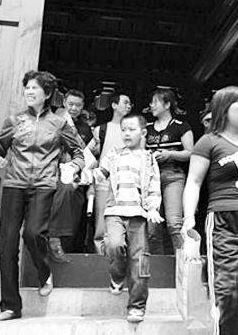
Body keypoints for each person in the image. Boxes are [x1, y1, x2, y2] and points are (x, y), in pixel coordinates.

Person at [0, 70, 84, 322]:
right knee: (7, 243)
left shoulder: (59, 123)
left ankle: (44, 271)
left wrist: (74, 167)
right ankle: (11, 306)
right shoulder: (14, 121)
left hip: (43, 185)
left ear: (47, 93)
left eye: (34, 88)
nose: (29, 92)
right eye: (27, 87)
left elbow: (79, 152)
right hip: (14, 185)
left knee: (32, 233)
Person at [182, 86, 238, 335]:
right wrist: (189, 217)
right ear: (223, 108)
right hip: (224, 220)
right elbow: (194, 181)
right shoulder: (209, 141)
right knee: (229, 292)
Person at [93, 112, 162, 323]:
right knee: (114, 245)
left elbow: (154, 186)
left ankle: (137, 306)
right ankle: (117, 276)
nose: (127, 133)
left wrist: (153, 209)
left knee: (140, 261)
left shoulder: (149, 158)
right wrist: (82, 173)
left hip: (139, 215)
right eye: (124, 130)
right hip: (115, 211)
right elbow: (99, 173)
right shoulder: (114, 154)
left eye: (132, 129)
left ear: (143, 133)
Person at [145, 87, 194, 254]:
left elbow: (190, 152)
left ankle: (184, 262)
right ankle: (157, 264)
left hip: (173, 175)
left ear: (167, 105)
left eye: (155, 102)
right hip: (150, 178)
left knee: (174, 223)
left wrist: (170, 154)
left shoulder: (182, 126)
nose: (151, 105)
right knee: (152, 228)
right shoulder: (147, 128)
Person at [48, 88, 93, 262]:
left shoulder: (85, 129)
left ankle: (67, 251)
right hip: (54, 174)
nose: (74, 108)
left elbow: (88, 157)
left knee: (75, 218)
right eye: (71, 104)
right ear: (64, 103)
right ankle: (54, 244)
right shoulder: (54, 121)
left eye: (78, 105)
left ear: (82, 107)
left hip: (78, 177)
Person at [86, 92, 133, 253]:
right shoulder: (101, 130)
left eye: (130, 103)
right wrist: (91, 184)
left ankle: (119, 256)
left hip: (126, 184)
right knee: (101, 223)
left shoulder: (133, 131)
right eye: (125, 102)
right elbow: (88, 157)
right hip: (103, 182)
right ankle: (100, 256)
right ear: (114, 105)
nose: (128, 106)